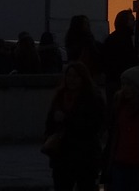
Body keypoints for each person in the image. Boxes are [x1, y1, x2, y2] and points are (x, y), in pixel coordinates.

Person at [43, 60, 106, 191]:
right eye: (69, 76)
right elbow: (50, 123)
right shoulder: (60, 97)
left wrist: (66, 119)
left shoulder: (93, 99)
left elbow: (94, 125)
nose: (72, 80)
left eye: (76, 76)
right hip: (62, 155)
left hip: (84, 155)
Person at [102, 9, 139, 99]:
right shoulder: (123, 39)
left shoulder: (113, 38)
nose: (134, 23)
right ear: (124, 22)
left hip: (114, 81)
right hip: (119, 81)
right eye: (131, 20)